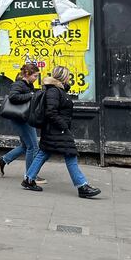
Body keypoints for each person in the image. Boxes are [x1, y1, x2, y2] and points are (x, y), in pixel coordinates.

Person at [21, 65, 101, 198]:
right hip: (57, 130)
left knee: (44, 153)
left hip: (53, 130)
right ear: (63, 77)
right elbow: (51, 112)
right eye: (68, 75)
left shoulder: (58, 90)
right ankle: (82, 186)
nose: (69, 78)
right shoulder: (54, 91)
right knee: (70, 154)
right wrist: (64, 126)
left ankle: (28, 179)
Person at [0, 63, 46, 184]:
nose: (36, 78)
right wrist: (31, 95)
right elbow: (13, 97)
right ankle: (30, 175)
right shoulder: (18, 84)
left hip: (25, 118)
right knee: (33, 147)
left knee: (25, 146)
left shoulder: (29, 84)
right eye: (35, 76)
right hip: (21, 119)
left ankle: (3, 160)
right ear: (27, 74)